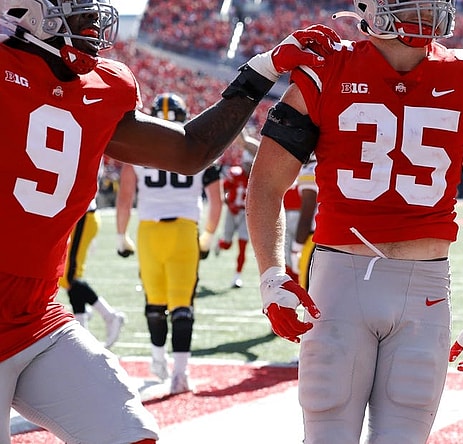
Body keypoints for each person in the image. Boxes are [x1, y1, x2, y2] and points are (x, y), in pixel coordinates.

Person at [0, 0, 340, 439]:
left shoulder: (101, 87)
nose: (91, 22)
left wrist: (260, 71)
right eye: (74, 11)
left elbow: (189, 151)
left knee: (130, 432)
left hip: (35, 319)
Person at [245, 1, 463, 442]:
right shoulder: (327, 65)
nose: (428, 9)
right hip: (338, 282)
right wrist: (271, 274)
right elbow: (266, 184)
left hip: (422, 285)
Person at [116, 92, 223, 394]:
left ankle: (157, 361)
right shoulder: (199, 150)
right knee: (182, 305)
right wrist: (209, 234)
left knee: (154, 303)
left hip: (149, 232)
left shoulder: (137, 151)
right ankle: (180, 372)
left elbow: (125, 199)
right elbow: (216, 201)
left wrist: (121, 235)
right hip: (184, 231)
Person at [59, 188, 126, 348]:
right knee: (69, 278)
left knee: (69, 277)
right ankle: (81, 330)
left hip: (83, 215)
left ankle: (110, 316)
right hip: (80, 215)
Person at [216, 129, 258, 288]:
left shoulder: (257, 177)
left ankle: (237, 276)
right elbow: (224, 190)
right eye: (247, 164)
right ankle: (220, 243)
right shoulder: (235, 173)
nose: (249, 168)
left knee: (242, 244)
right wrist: (229, 202)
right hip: (232, 212)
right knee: (227, 245)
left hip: (246, 214)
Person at [289, 154, 318, 289]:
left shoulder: (311, 169)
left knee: (308, 290)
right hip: (337, 236)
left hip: (316, 239)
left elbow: (307, 213)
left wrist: (296, 249)